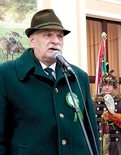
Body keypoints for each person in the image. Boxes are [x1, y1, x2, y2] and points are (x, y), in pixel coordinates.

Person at [0, 9, 100, 155]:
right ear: (32, 40)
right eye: (48, 35)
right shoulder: (6, 75)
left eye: (60, 36)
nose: (56, 41)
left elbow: (91, 134)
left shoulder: (78, 76)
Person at [92, 70, 121, 155]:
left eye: (109, 85)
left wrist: (115, 117)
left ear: (114, 86)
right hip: (98, 141)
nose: (107, 87)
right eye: (105, 85)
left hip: (116, 143)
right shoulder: (94, 102)